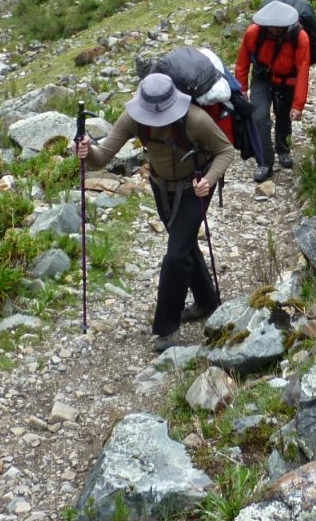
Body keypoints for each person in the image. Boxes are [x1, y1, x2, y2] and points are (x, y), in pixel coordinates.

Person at [74, 72, 235, 350]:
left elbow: (226, 151)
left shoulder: (196, 119)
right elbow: (102, 159)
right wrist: (87, 151)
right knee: (182, 247)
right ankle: (208, 302)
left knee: (175, 255)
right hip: (161, 189)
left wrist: (208, 181)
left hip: (194, 189)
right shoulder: (133, 118)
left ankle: (167, 329)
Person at [234, 0, 311, 176]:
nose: (273, 29)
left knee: (284, 116)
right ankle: (264, 162)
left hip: (288, 80)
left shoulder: (300, 37)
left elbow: (303, 70)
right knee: (259, 117)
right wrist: (241, 89)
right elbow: (242, 62)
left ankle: (283, 150)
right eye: (270, 26)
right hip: (262, 78)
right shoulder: (254, 32)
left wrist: (298, 105)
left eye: (278, 27)